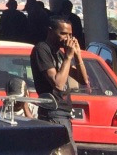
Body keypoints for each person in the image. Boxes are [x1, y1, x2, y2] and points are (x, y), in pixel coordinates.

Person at [30, 15, 88, 143]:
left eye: (70, 35)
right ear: (50, 31)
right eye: (63, 33)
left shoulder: (60, 53)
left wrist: (77, 55)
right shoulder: (42, 49)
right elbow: (58, 84)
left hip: (65, 112)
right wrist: (68, 57)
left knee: (69, 149)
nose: (67, 38)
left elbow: (84, 80)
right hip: (53, 112)